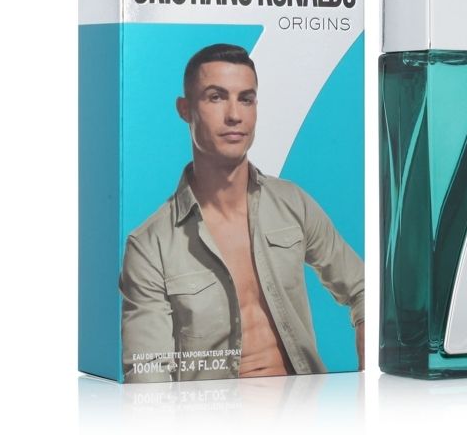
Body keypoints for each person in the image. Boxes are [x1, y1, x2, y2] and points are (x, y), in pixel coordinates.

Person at [119, 43, 364, 383]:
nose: (234, 115)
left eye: (246, 99)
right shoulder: (150, 246)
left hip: (306, 405)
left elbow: (363, 289)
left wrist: (368, 383)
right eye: (216, 97)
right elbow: (148, 377)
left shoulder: (292, 203)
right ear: (185, 109)